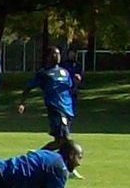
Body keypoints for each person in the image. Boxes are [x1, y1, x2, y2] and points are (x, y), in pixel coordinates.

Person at [17, 45, 82, 178]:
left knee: (59, 142)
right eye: (54, 54)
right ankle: (68, 168)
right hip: (56, 108)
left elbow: (70, 89)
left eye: (58, 54)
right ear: (47, 57)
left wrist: (76, 82)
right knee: (66, 140)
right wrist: (22, 103)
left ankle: (36, 158)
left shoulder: (65, 72)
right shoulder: (44, 73)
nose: (57, 56)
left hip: (67, 109)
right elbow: (28, 88)